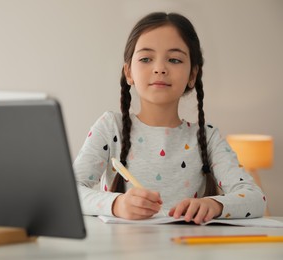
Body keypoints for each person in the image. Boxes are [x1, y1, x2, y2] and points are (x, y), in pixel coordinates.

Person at [73, 12, 266, 224]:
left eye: (174, 60)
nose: (159, 69)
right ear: (128, 72)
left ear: (193, 75)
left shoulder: (207, 137)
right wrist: (117, 204)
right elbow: (69, 191)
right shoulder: (110, 127)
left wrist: (214, 205)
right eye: (146, 59)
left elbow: (255, 198)